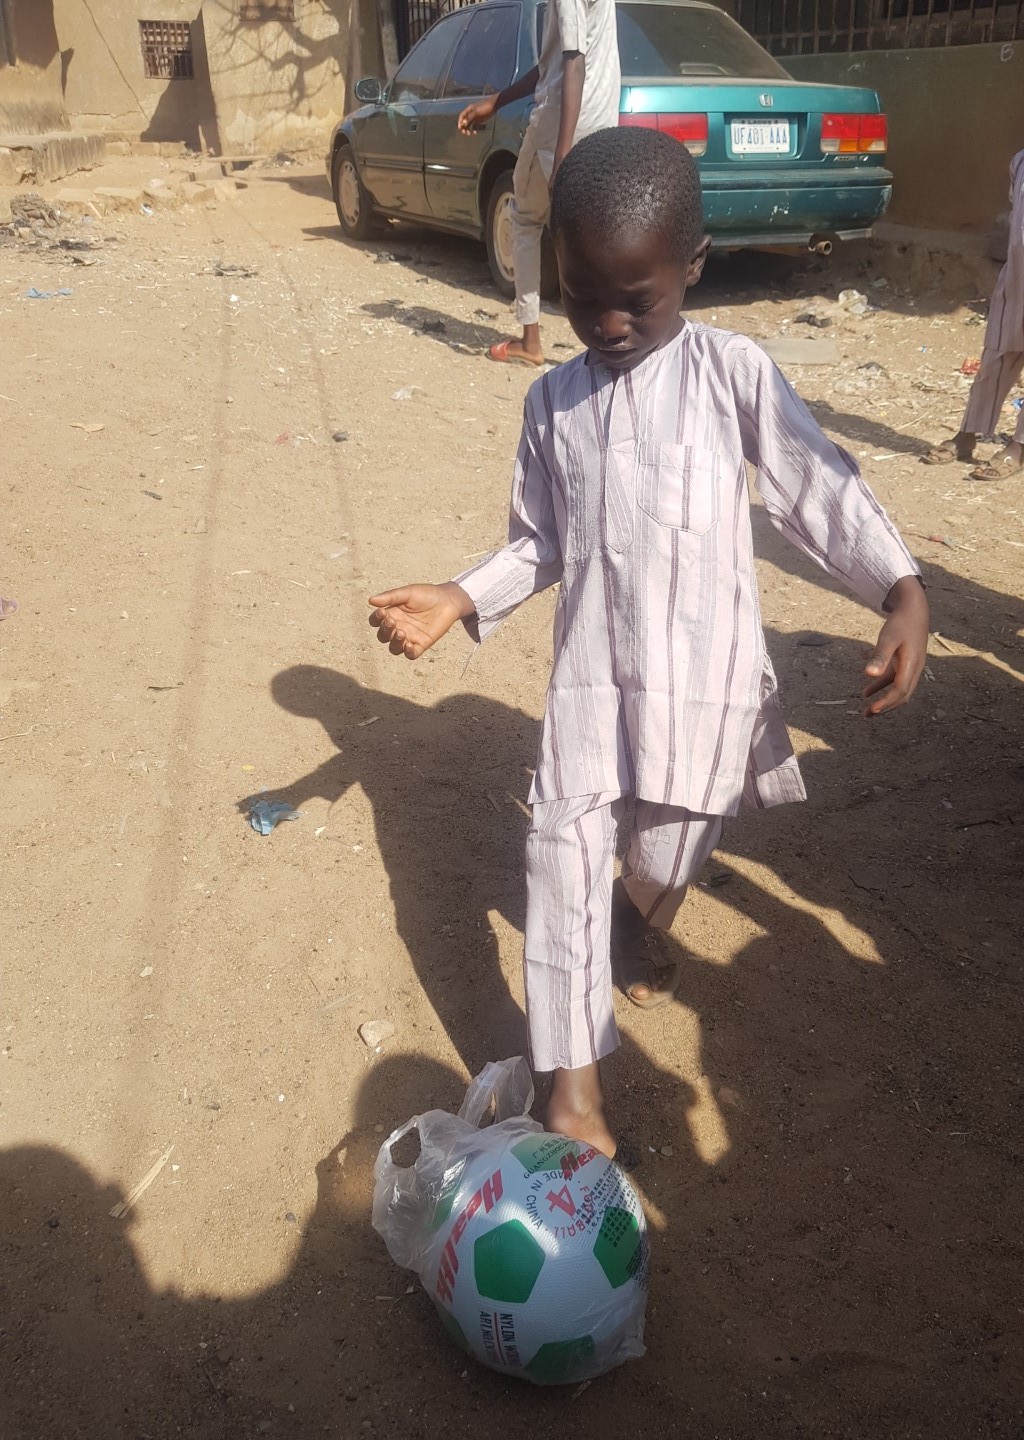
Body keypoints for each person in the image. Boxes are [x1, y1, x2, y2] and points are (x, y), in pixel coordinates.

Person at [368, 127, 930, 1156]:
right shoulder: (552, 401)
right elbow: (539, 541)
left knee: (669, 852)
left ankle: (636, 917)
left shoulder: (730, 373)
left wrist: (900, 589)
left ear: (693, 266)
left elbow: (816, 483)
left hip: (704, 690)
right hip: (591, 686)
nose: (609, 323)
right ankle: (571, 1092)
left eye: (638, 298)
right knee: (561, 862)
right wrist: (460, 595)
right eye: (583, 297)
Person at [922, 46, 1024, 481]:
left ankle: (1017, 447)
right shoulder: (1021, 161)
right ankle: (968, 434)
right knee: (995, 357)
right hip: (1016, 284)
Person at [458, 0, 619, 368]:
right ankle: (612, 342)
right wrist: (497, 101)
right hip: (602, 122)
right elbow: (555, 63)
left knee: (525, 219)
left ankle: (530, 341)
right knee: (595, 233)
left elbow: (573, 61)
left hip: (560, 125)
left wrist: (562, 155)